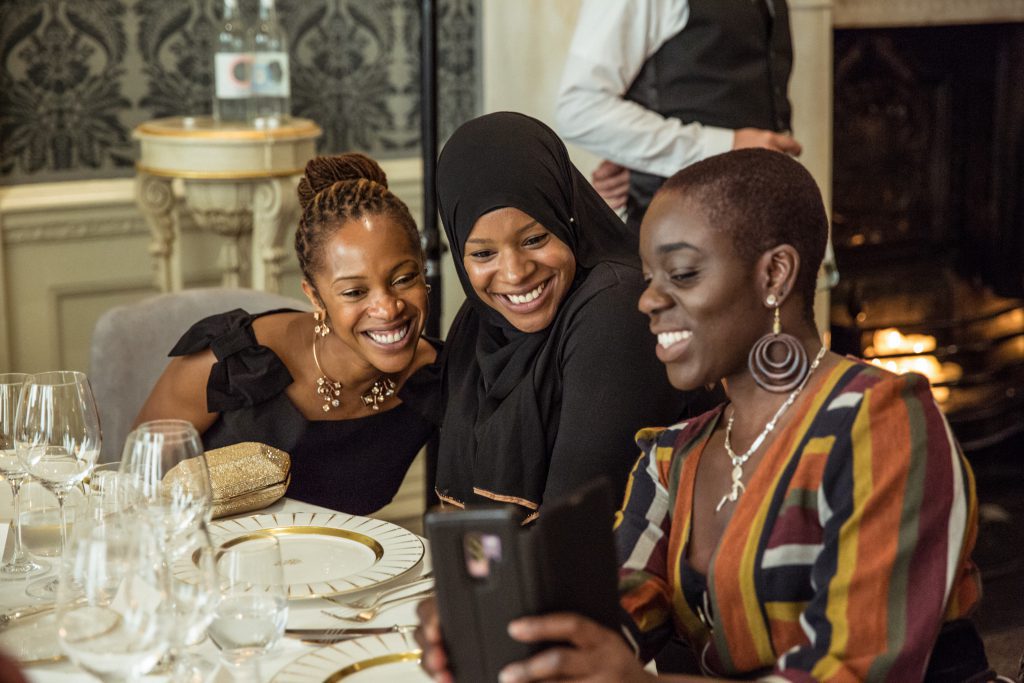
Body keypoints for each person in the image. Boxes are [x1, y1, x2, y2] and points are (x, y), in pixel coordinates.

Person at [420, 149, 991, 682]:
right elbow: (602, 617)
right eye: (649, 277)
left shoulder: (880, 421)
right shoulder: (673, 455)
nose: (647, 300)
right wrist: (497, 632)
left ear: (774, 275)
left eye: (683, 274)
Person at [432, 111, 709, 522]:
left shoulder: (617, 307)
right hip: (525, 577)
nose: (514, 273)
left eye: (535, 238)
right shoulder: (479, 322)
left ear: (568, 217)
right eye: (483, 253)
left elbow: (574, 527)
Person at [134, 153, 438, 515]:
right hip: (209, 565)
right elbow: (135, 487)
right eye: (355, 292)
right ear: (315, 296)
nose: (388, 309)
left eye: (404, 279)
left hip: (352, 569)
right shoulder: (233, 363)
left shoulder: (436, 379)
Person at [555, 0, 802, 227]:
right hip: (684, 230)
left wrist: (644, 158)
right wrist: (724, 146)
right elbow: (579, 108)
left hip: (762, 213)